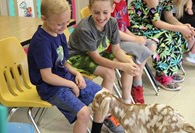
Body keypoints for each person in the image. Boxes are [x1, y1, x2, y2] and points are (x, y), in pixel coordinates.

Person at [27, 0, 105, 133]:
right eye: (59, 24)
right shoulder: (42, 42)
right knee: (84, 113)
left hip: (66, 79)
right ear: (44, 18)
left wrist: (77, 74)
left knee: (103, 97)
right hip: (50, 88)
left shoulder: (60, 34)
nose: (64, 27)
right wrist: (72, 84)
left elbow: (63, 62)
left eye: (67, 22)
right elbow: (47, 76)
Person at [68, 0, 140, 132]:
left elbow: (117, 50)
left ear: (112, 8)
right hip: (76, 57)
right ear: (89, 8)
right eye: (96, 12)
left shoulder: (112, 22)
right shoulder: (86, 28)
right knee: (109, 73)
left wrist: (129, 64)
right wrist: (122, 66)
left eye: (105, 12)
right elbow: (96, 58)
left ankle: (126, 105)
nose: (101, 17)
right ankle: (105, 115)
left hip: (95, 54)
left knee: (129, 62)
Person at [128, 0, 194, 90]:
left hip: (149, 26)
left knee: (176, 34)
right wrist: (180, 28)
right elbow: (156, 22)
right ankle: (161, 74)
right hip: (137, 27)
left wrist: (183, 27)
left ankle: (169, 70)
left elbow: (169, 17)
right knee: (165, 36)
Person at [111, 0, 157, 103]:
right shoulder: (109, 5)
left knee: (151, 45)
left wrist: (135, 37)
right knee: (141, 52)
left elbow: (124, 28)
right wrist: (135, 40)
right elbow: (115, 32)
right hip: (114, 42)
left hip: (125, 39)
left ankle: (134, 83)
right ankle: (137, 83)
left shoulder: (122, 2)